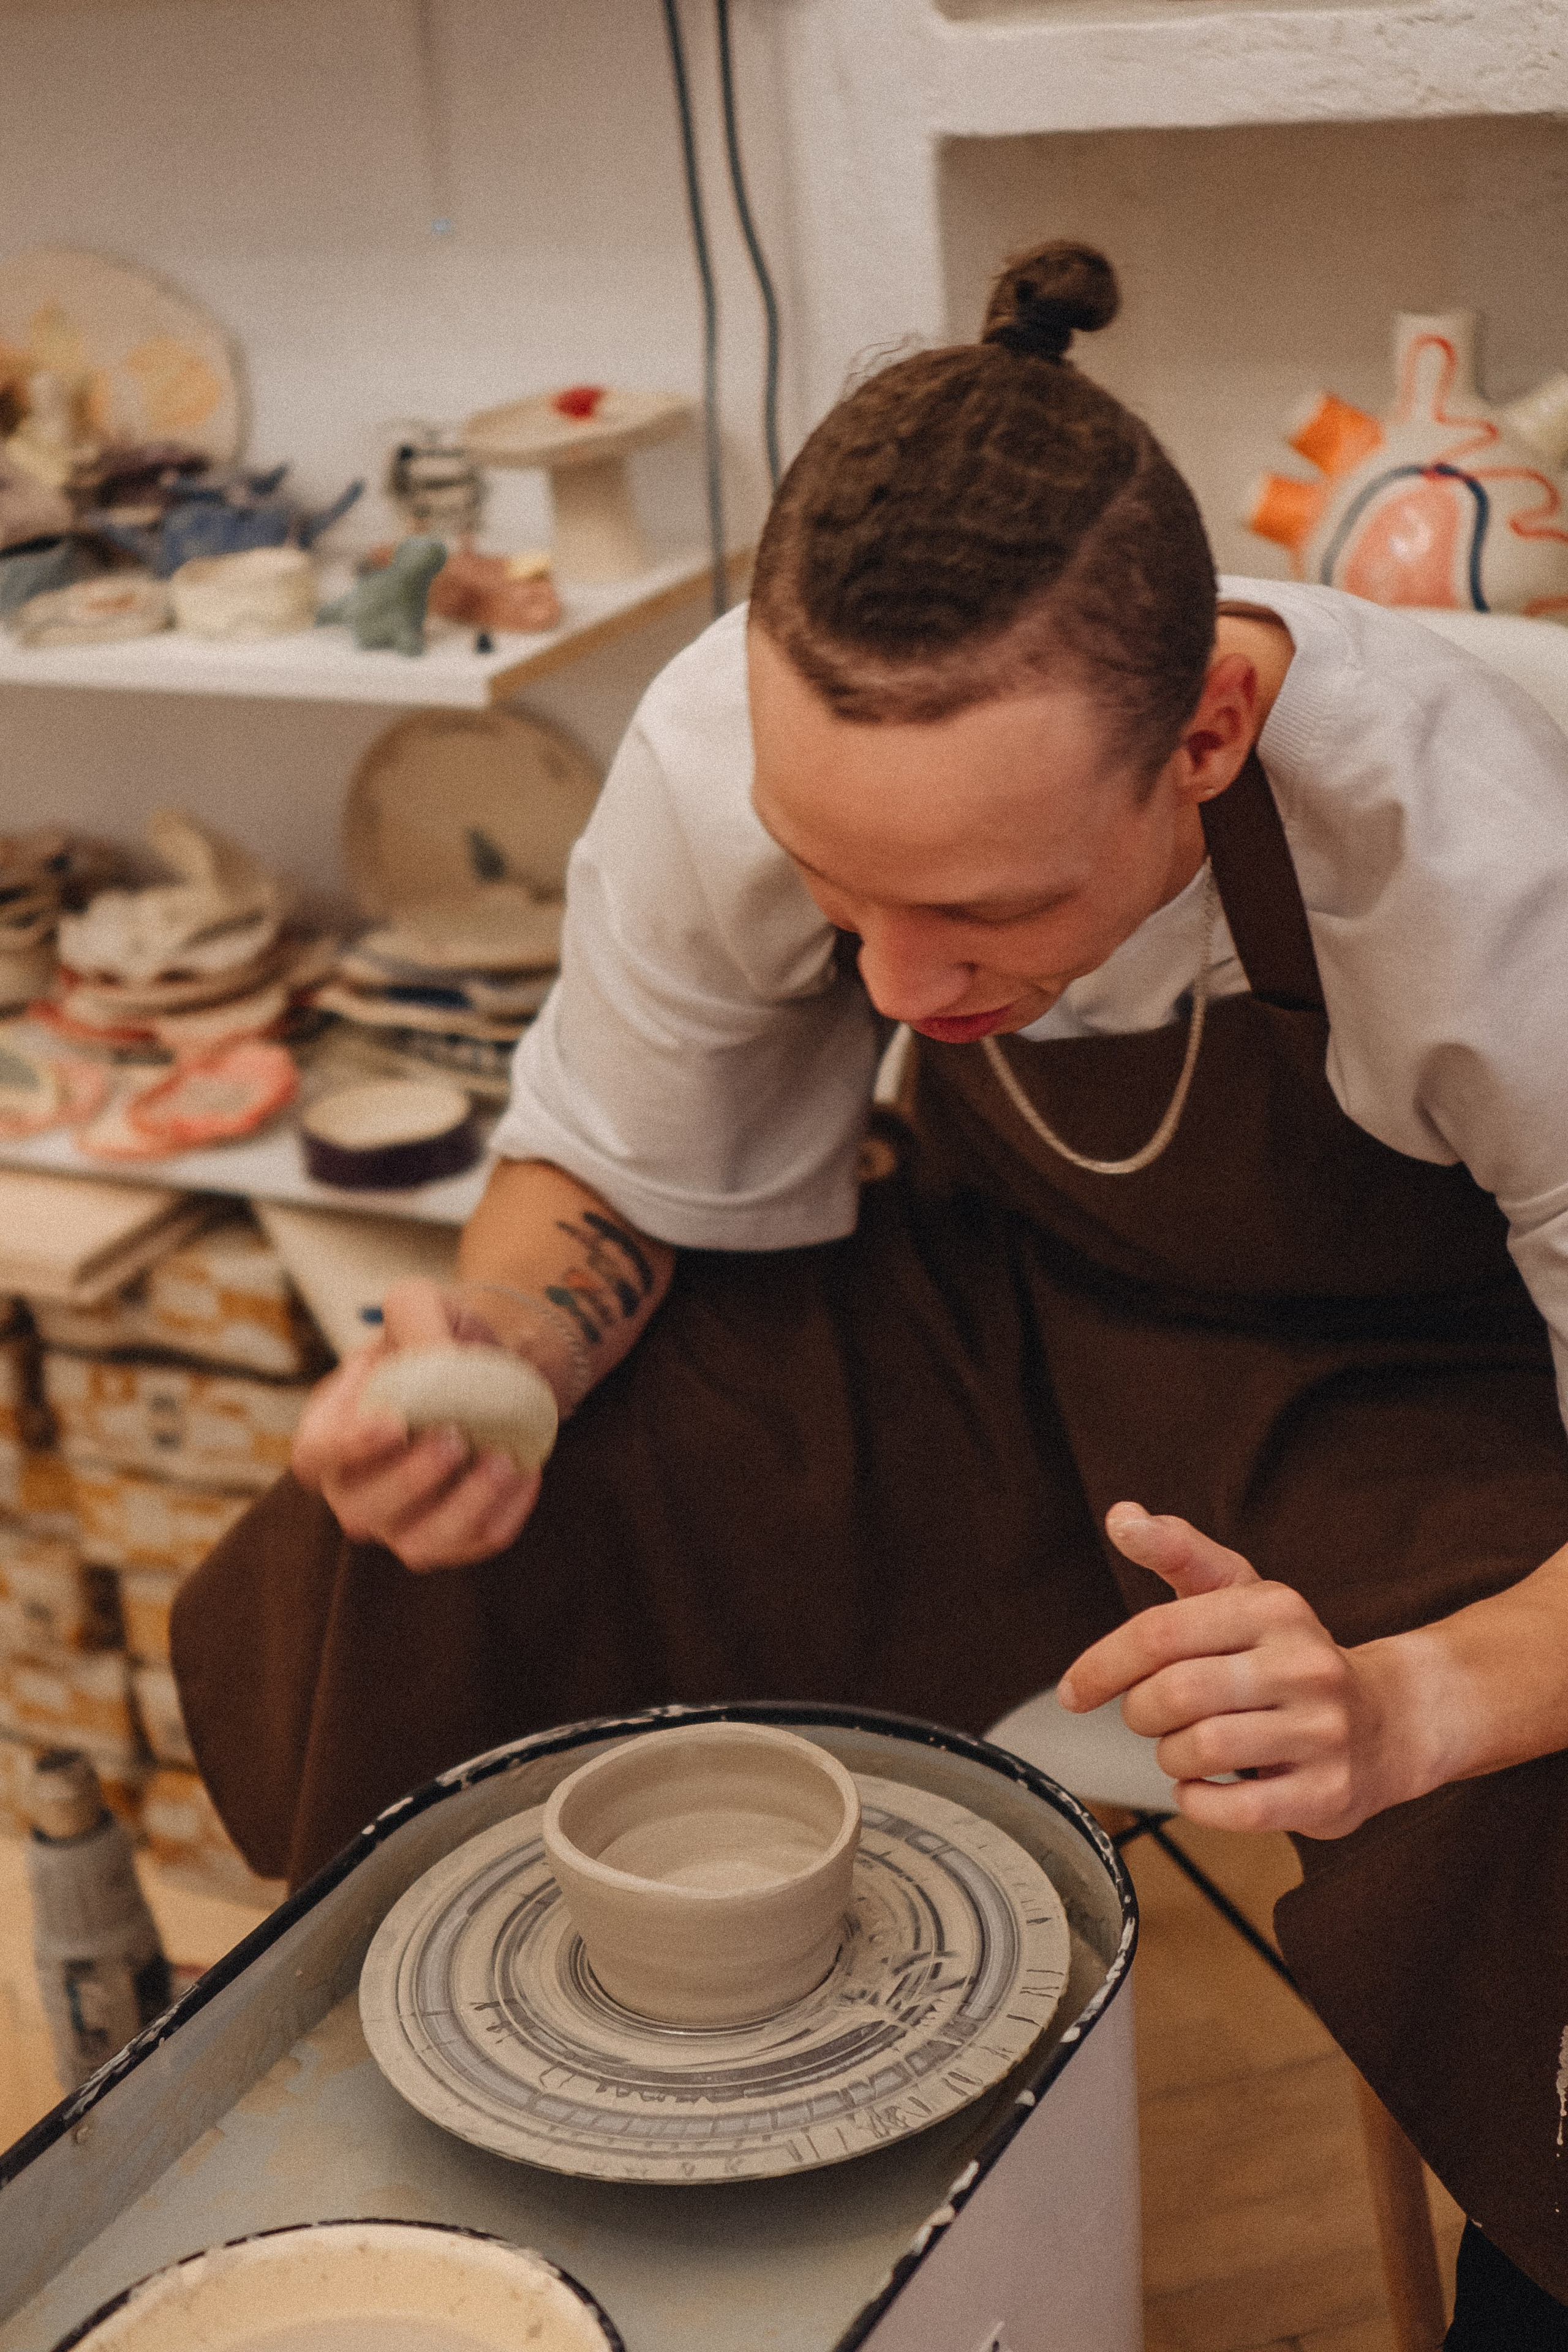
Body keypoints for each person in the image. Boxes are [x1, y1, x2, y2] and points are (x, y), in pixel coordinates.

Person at [174, 243, 1568, 2342]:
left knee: (1514, 1808)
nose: (905, 990)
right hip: (1005, 1296)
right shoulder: (726, 728)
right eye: (843, 908)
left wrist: (1410, 1704)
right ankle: (445, 2210)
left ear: (1210, 730)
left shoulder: (1480, 856)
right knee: (471, 1533)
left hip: (1424, 1371)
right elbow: (612, 1175)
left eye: (988, 914)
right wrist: (501, 1365)